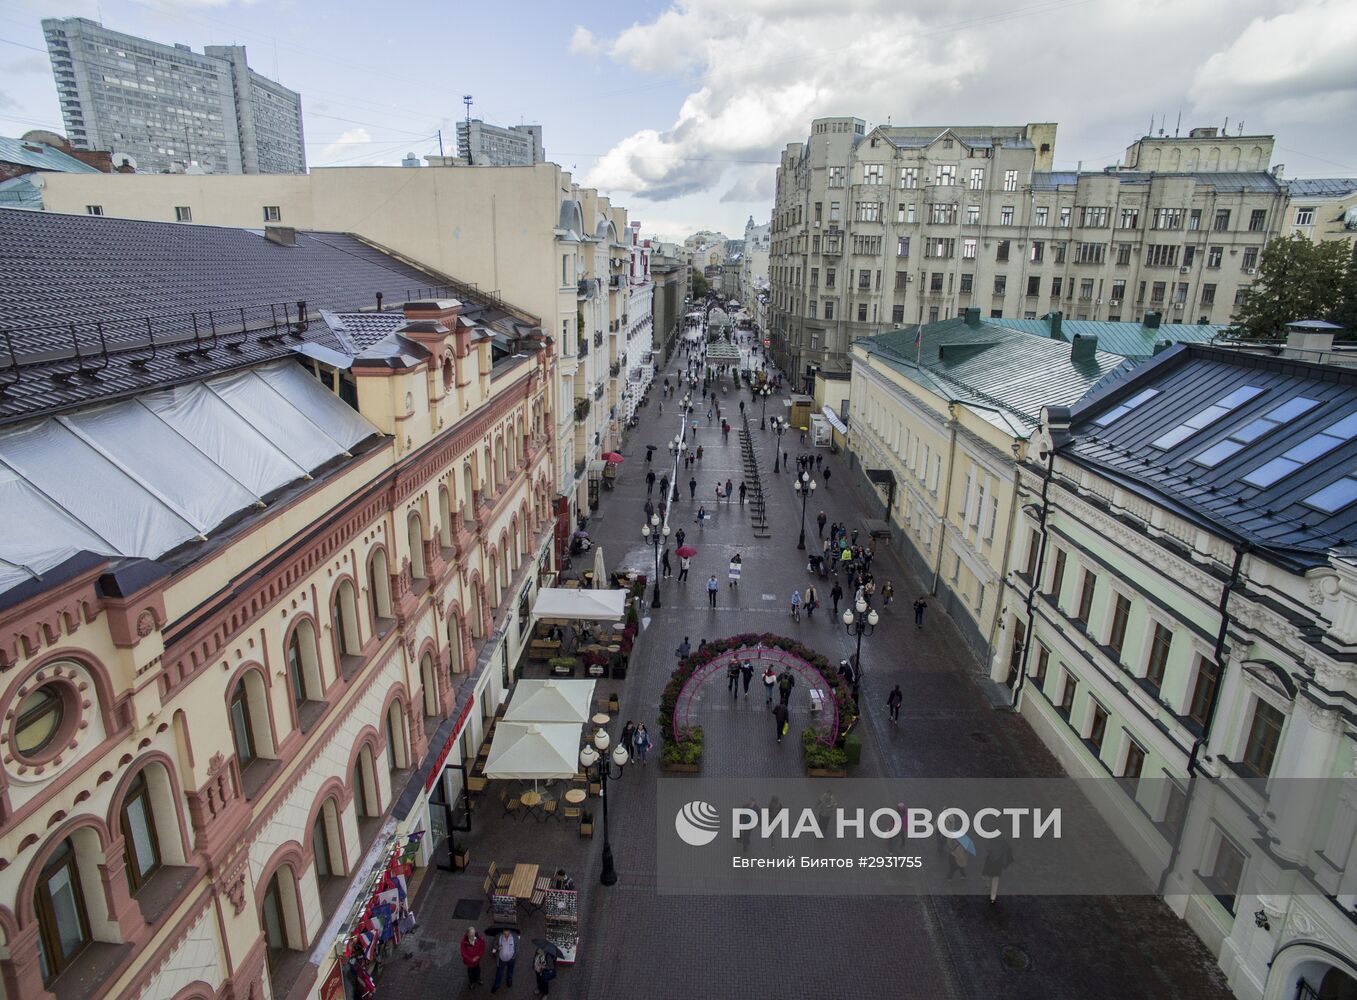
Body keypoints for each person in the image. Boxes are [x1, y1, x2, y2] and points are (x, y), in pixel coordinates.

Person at [984, 836, 1014, 904]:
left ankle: (987, 884)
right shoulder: (1004, 845)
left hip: (989, 862)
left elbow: (987, 850)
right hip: (998, 865)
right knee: (995, 880)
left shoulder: (991, 842)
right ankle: (992, 898)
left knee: (987, 875)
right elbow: (1008, 856)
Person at [491, 928, 517, 993]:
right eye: (505, 933)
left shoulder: (515, 936)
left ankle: (509, 979)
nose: (506, 935)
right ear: (502, 932)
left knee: (510, 969)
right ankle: (497, 985)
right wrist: (497, 947)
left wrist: (514, 955)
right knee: (499, 972)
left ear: (510, 931)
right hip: (501, 959)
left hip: (511, 959)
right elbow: (494, 945)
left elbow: (517, 946)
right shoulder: (498, 936)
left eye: (507, 933)